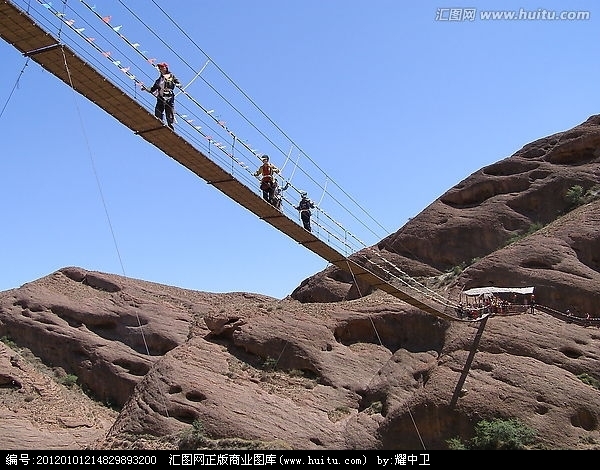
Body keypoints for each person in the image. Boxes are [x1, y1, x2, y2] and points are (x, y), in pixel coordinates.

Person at [147, 62, 180, 129]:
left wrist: (178, 85)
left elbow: (178, 82)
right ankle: (159, 122)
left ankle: (170, 126)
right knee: (158, 109)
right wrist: (146, 89)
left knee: (169, 111)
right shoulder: (158, 80)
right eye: (159, 67)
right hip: (161, 97)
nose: (160, 68)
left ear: (165, 68)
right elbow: (153, 88)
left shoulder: (171, 76)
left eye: (162, 67)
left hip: (169, 96)